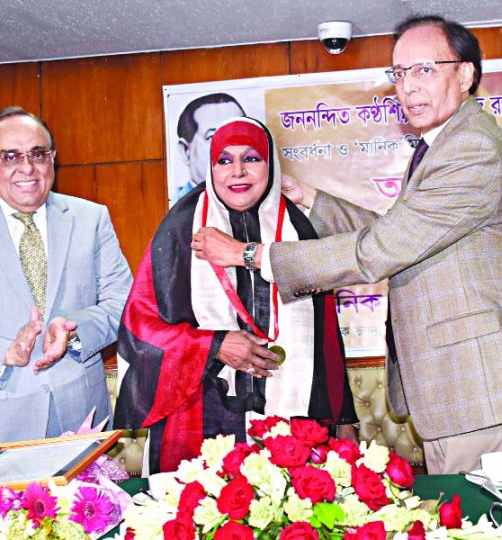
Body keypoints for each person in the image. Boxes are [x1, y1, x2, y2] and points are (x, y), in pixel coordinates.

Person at [190, 15, 502, 475]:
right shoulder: (441, 146)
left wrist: (250, 255)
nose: (408, 87)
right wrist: (310, 199)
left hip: (481, 391)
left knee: (491, 523)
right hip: (462, 394)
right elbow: (399, 234)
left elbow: (379, 250)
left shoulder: (470, 148)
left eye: (425, 69)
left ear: (465, 74)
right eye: (399, 74)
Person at [114, 117, 357, 473]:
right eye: (224, 160)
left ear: (270, 164)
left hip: (292, 410)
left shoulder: (299, 227)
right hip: (200, 410)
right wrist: (213, 345)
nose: (238, 171)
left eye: (251, 158)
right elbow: (140, 328)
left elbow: (326, 337)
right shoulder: (180, 228)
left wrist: (343, 417)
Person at [0, 106, 133, 464]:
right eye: (10, 156)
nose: (27, 168)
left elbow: (124, 301)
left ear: (53, 158)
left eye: (38, 154)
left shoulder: (91, 217)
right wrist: (2, 352)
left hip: (81, 417)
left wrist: (75, 333)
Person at [172, 93, 246, 203]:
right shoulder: (176, 209)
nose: (229, 148)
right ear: (185, 151)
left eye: (237, 136)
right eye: (212, 137)